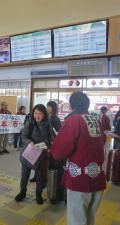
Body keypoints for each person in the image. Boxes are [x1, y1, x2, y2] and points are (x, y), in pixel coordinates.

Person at [50, 92, 106, 225]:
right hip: (97, 176)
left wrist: (52, 148)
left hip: (79, 179)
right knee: (89, 218)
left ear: (71, 105)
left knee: (76, 220)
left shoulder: (74, 120)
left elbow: (59, 152)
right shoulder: (95, 121)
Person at [15, 104, 54, 205]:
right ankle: (22, 192)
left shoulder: (47, 124)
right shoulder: (30, 123)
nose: (37, 116)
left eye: (40, 113)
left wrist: (48, 145)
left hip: (41, 154)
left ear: (44, 114)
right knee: (24, 175)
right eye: (35, 113)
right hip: (29, 153)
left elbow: (51, 138)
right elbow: (23, 137)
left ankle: (38, 194)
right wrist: (30, 143)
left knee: (40, 177)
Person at [30, 101, 61, 183]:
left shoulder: (55, 118)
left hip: (48, 142)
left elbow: (58, 131)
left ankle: (43, 178)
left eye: (49, 107)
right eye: (47, 106)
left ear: (53, 108)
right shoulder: (45, 116)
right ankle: (36, 176)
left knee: (45, 161)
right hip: (39, 141)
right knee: (37, 158)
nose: (47, 108)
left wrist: (52, 142)